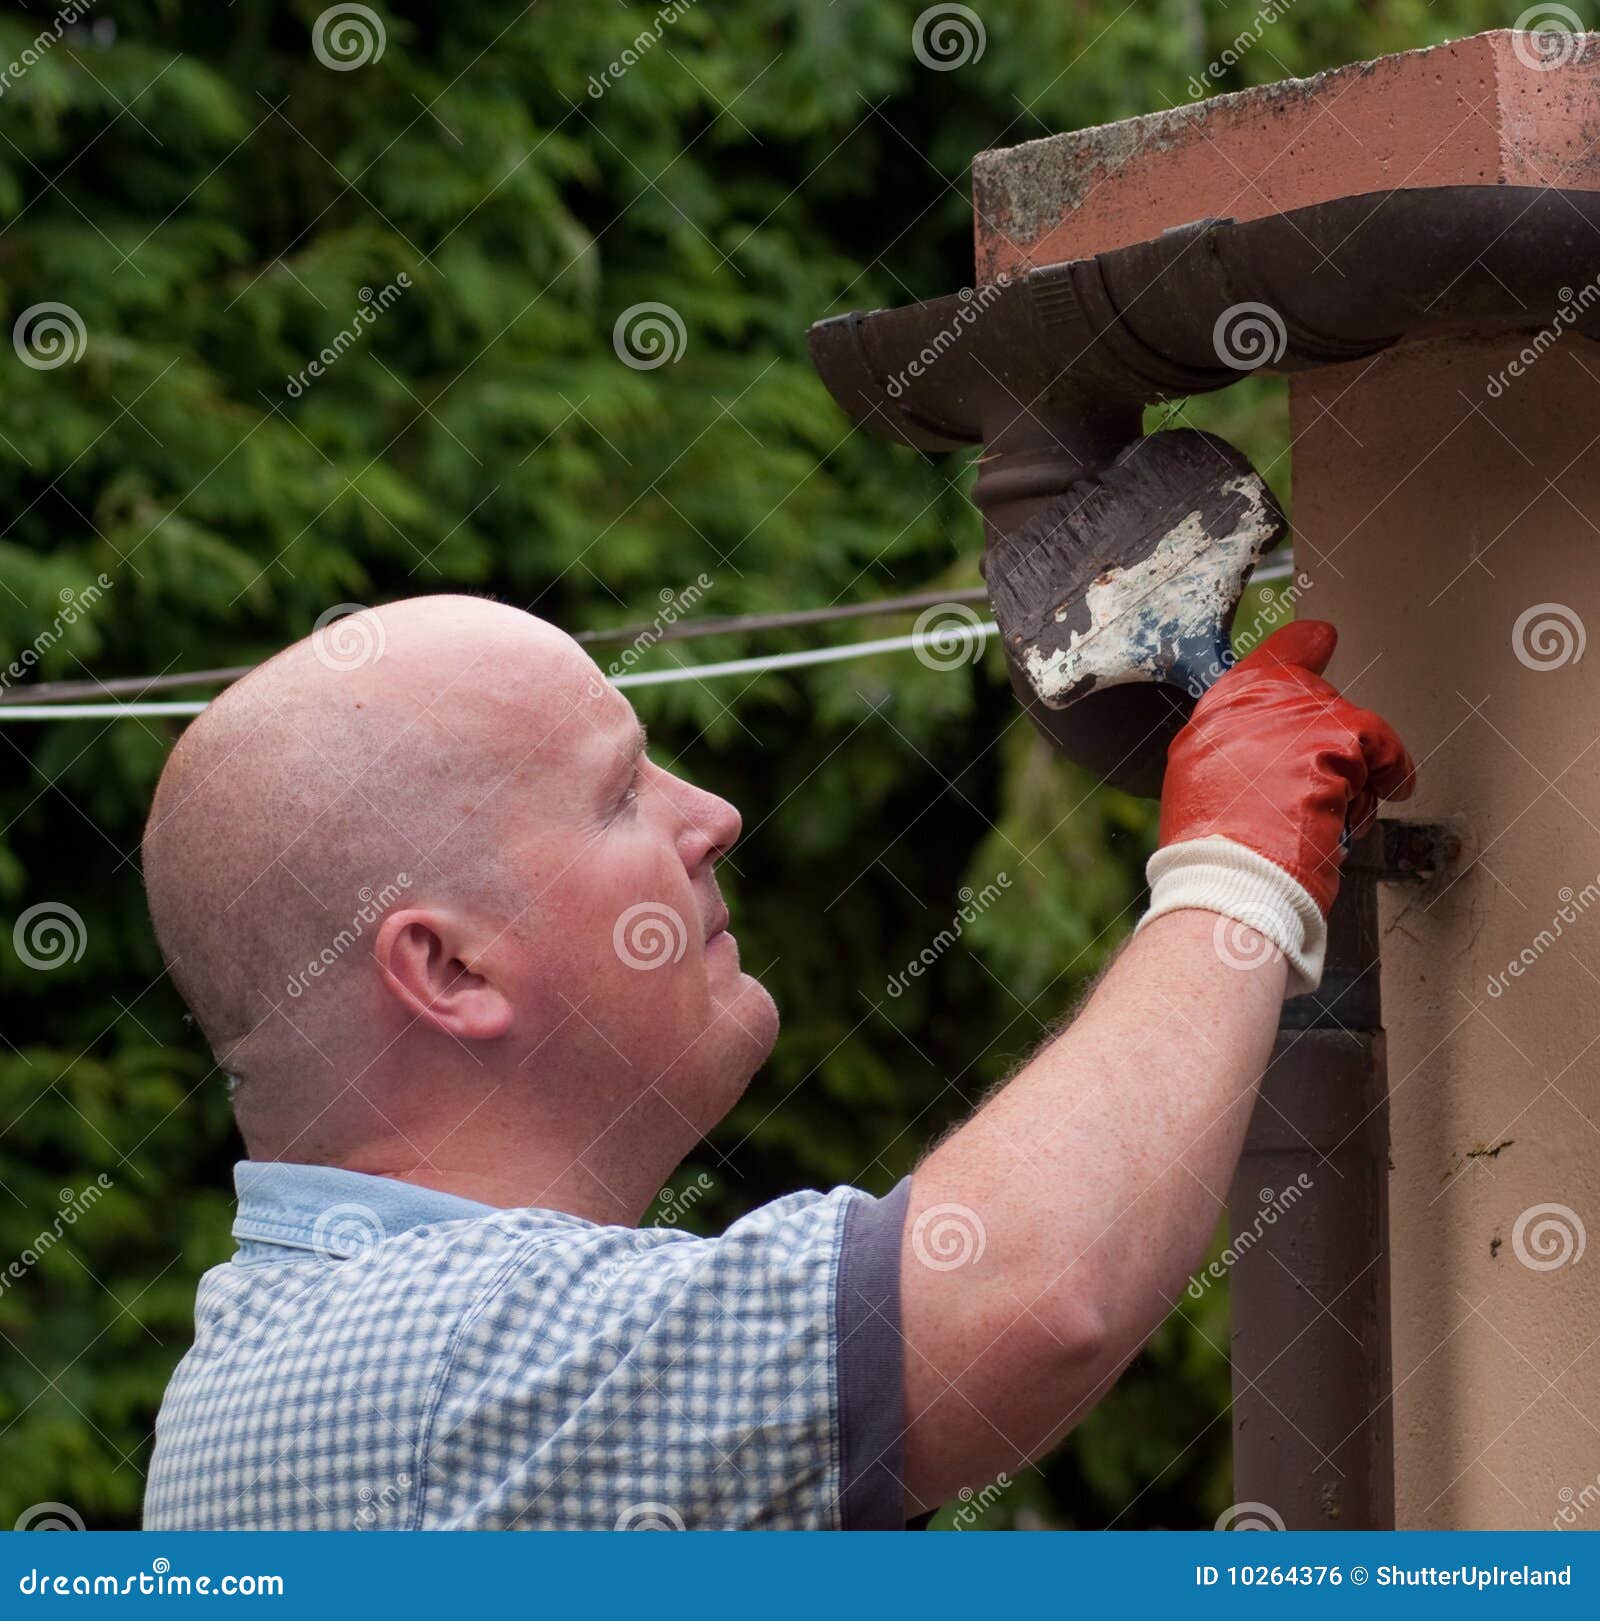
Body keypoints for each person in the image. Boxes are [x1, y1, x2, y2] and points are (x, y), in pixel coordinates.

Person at [139, 594, 1413, 1529]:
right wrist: (1236, 862)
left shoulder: (314, 1344)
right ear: (451, 971)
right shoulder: (432, 1362)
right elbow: (1033, 1290)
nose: (713, 818)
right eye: (620, 795)